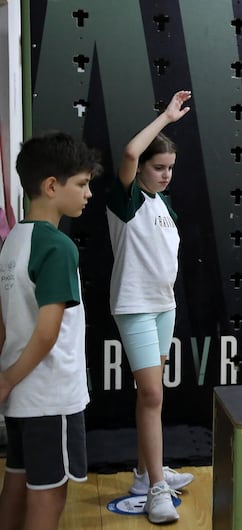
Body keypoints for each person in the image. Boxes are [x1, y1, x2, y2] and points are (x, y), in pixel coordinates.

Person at [0, 132, 101, 530]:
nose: (88, 194)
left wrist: (8, 380)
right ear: (51, 186)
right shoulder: (58, 247)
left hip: (24, 397)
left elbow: (5, 325)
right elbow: (47, 333)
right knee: (50, 495)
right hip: (50, 397)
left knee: (16, 482)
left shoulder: (12, 243)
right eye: (82, 183)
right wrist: (7, 381)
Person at [106, 90, 194, 523]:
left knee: (152, 395)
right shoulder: (127, 201)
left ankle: (146, 473)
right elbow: (128, 149)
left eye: (170, 169)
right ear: (140, 169)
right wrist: (165, 117)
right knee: (152, 393)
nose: (165, 176)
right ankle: (154, 489)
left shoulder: (165, 205)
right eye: (158, 168)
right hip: (135, 306)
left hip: (164, 306)